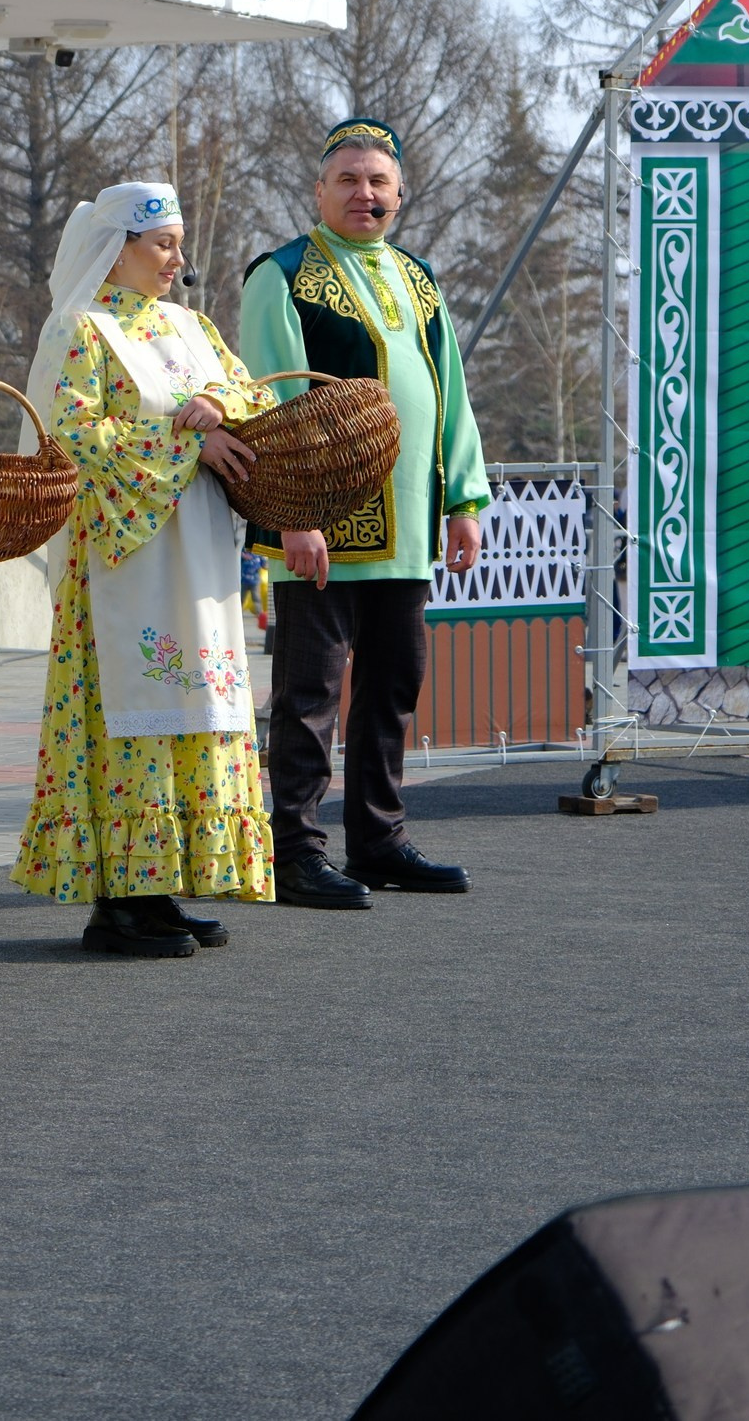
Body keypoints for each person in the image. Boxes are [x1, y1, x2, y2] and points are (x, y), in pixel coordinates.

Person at [11, 182, 279, 955]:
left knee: (193, 704)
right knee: (129, 713)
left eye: (177, 242)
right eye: (162, 242)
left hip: (191, 551)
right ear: (117, 247)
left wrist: (222, 410)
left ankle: (163, 886)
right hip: (121, 556)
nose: (176, 258)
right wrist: (184, 442)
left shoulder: (190, 326)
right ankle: (121, 896)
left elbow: (249, 390)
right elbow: (70, 436)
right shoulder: (81, 329)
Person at [237, 118, 490, 909]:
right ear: (318, 192)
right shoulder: (281, 274)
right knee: (309, 694)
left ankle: (379, 839)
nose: (364, 193)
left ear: (400, 196)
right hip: (323, 531)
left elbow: (449, 390)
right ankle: (296, 852)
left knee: (392, 688)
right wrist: (295, 512)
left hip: (408, 526)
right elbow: (270, 396)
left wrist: (464, 498)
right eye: (347, 179)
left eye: (378, 181)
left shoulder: (417, 279)